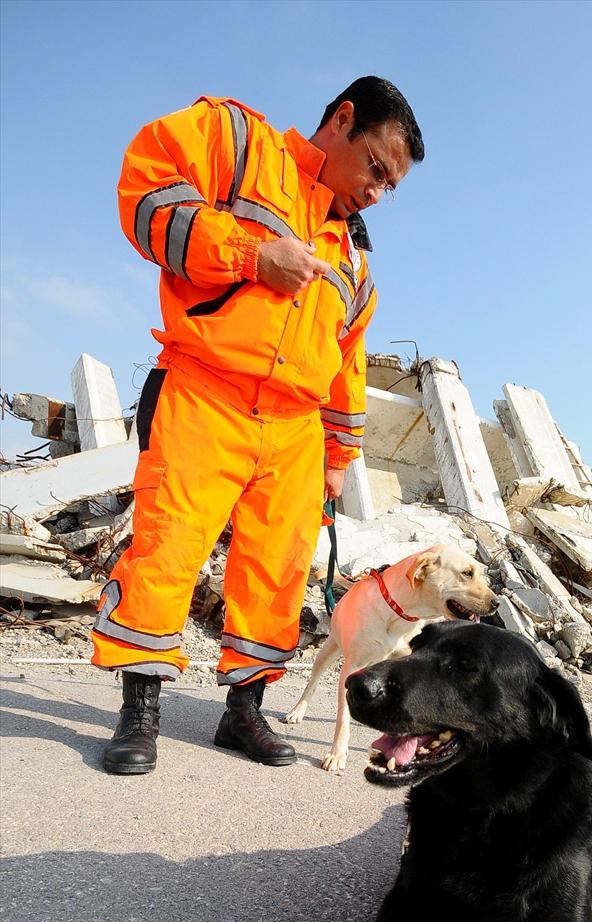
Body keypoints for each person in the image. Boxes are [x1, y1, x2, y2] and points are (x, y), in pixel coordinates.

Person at [90, 78, 424, 775]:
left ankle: (245, 713)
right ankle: (139, 713)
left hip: (296, 428)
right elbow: (145, 188)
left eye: (392, 185)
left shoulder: (354, 260)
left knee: (275, 574)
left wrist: (340, 452)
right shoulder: (238, 145)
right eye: (377, 169)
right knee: (168, 550)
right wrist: (249, 254)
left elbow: (346, 363)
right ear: (343, 120)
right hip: (206, 391)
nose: (378, 193)